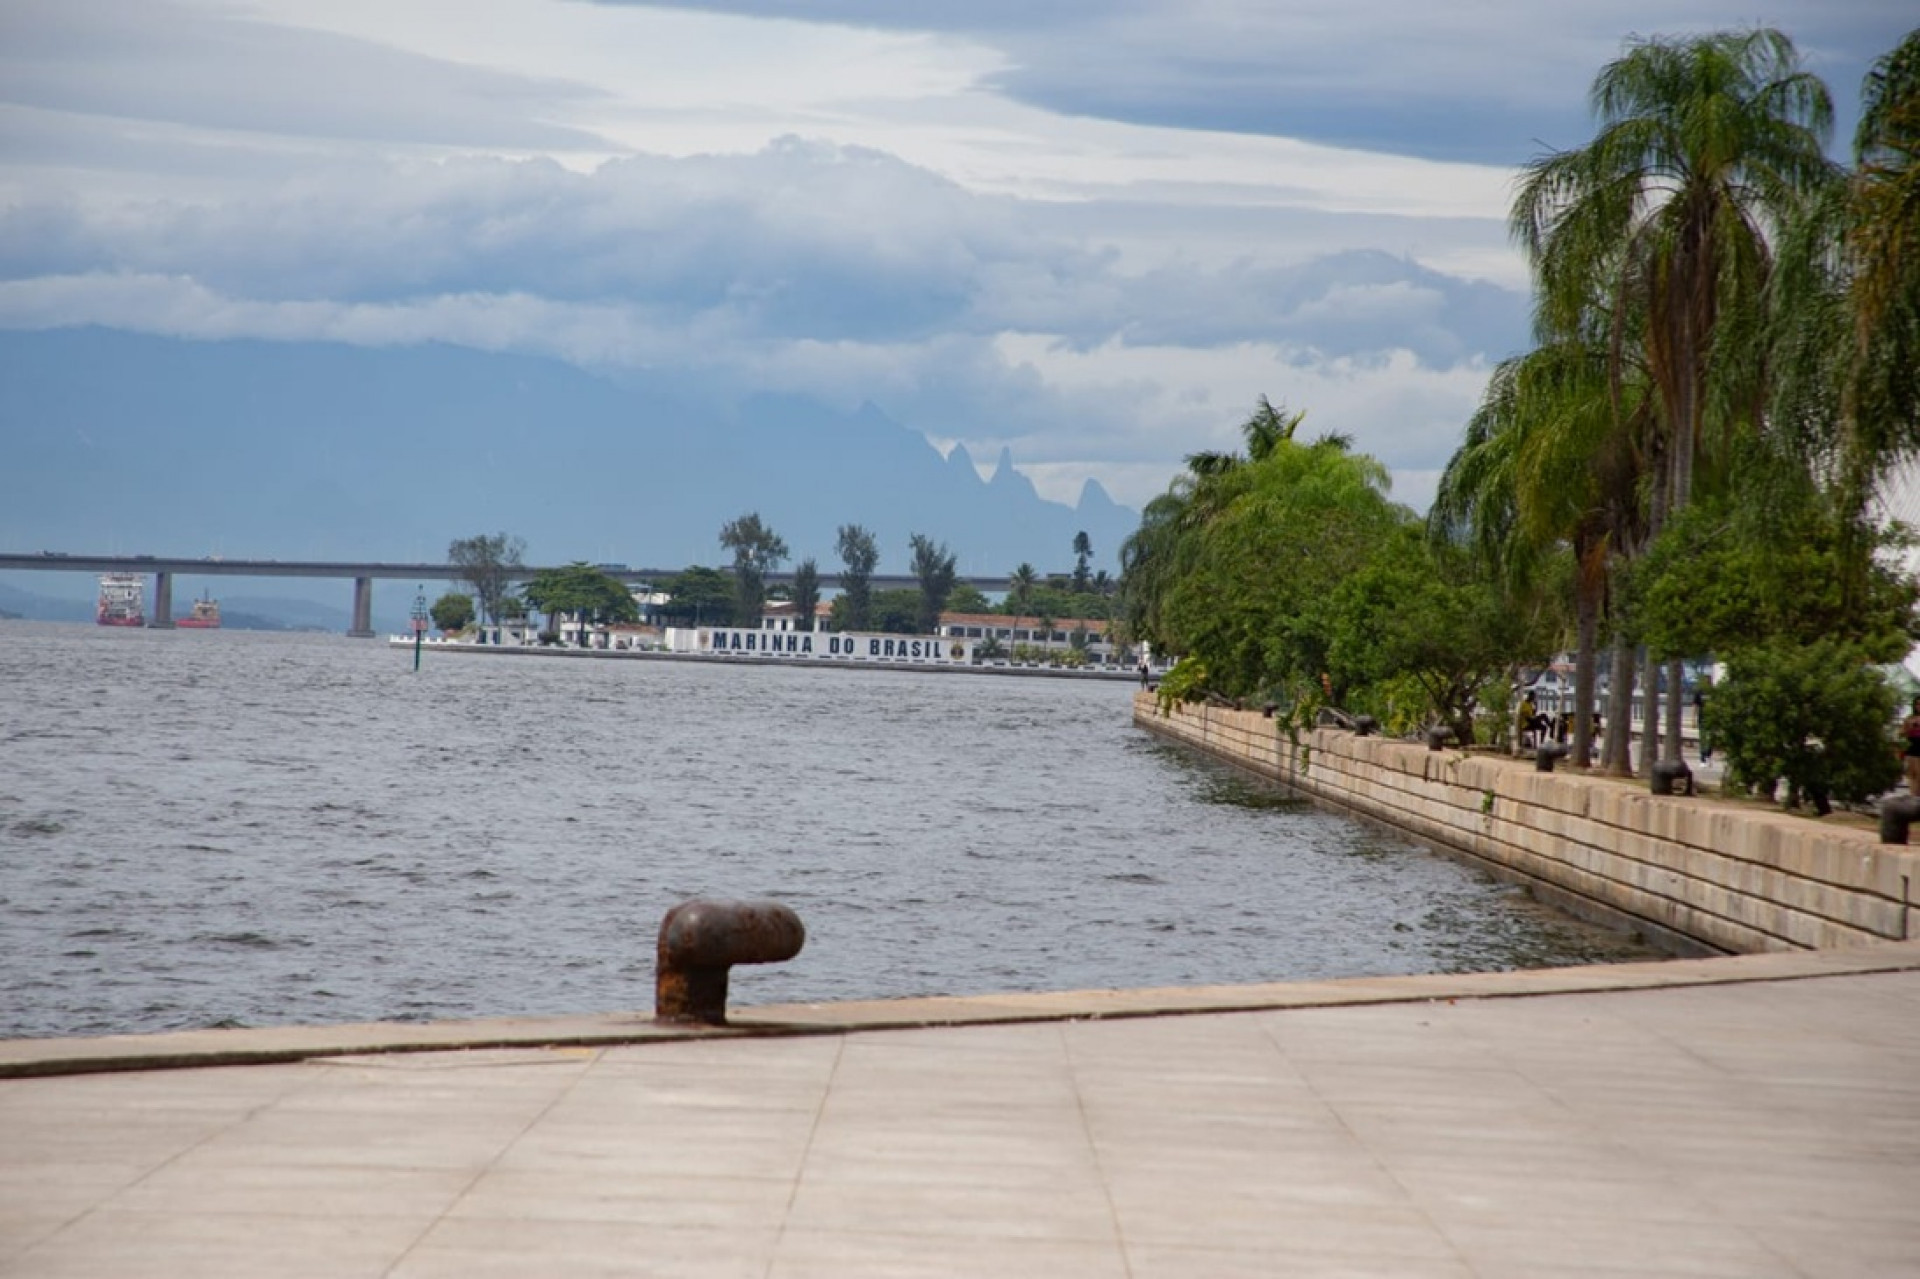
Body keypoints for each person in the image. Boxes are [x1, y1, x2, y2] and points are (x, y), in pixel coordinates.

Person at [1904, 696, 1920, 794]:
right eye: (1917, 704)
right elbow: (1902, 732)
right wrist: (1910, 726)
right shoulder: (1910, 718)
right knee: (1911, 773)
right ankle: (1913, 795)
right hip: (1911, 747)